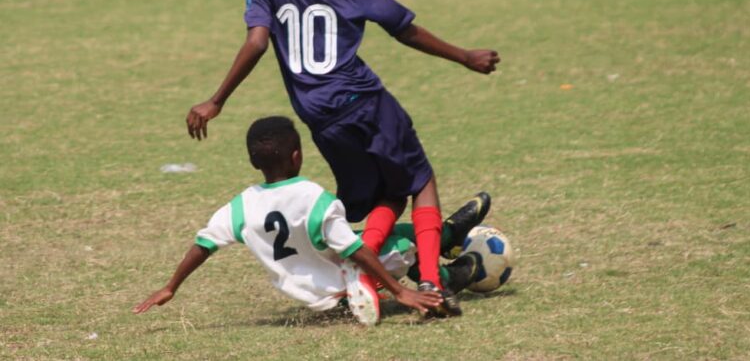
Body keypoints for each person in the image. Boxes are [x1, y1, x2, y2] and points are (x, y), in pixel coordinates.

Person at [185, 0, 500, 315]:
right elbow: (402, 29)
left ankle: (364, 276)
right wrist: (463, 55)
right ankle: (432, 281)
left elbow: (257, 41)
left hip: (318, 116)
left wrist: (216, 100)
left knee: (386, 193)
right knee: (420, 180)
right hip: (365, 100)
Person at [134, 117, 486, 325]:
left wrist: (171, 286)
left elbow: (203, 245)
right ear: (297, 156)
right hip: (347, 281)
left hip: (312, 297)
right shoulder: (312, 197)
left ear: (254, 163)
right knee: (406, 237)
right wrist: (400, 292)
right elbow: (355, 249)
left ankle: (452, 239)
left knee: (373, 235)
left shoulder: (241, 206)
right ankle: (449, 261)